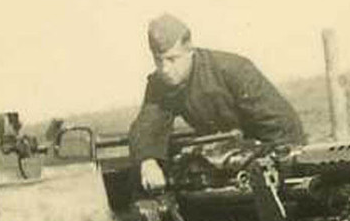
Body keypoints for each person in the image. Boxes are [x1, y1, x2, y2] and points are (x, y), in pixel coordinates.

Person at [128, 13, 307, 192]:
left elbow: (283, 127)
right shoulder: (161, 84)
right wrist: (148, 162)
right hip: (226, 162)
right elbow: (147, 125)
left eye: (172, 59)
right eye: (158, 60)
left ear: (190, 49)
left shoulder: (234, 70)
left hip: (268, 156)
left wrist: (280, 166)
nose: (165, 69)